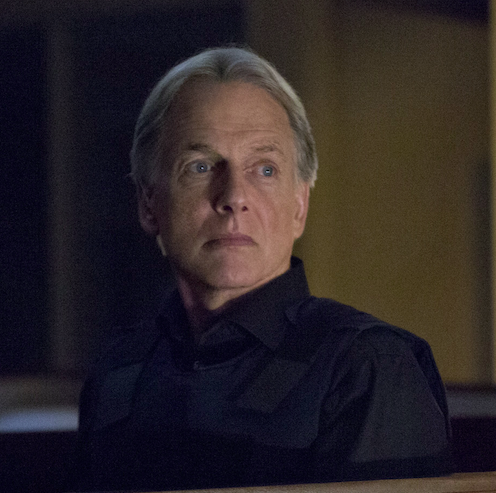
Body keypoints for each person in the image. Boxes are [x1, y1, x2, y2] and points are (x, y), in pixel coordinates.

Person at [73, 47, 451, 491]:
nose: (234, 196)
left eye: (265, 170)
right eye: (200, 166)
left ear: (300, 206)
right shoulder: (119, 371)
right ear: (148, 203)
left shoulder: (368, 368)